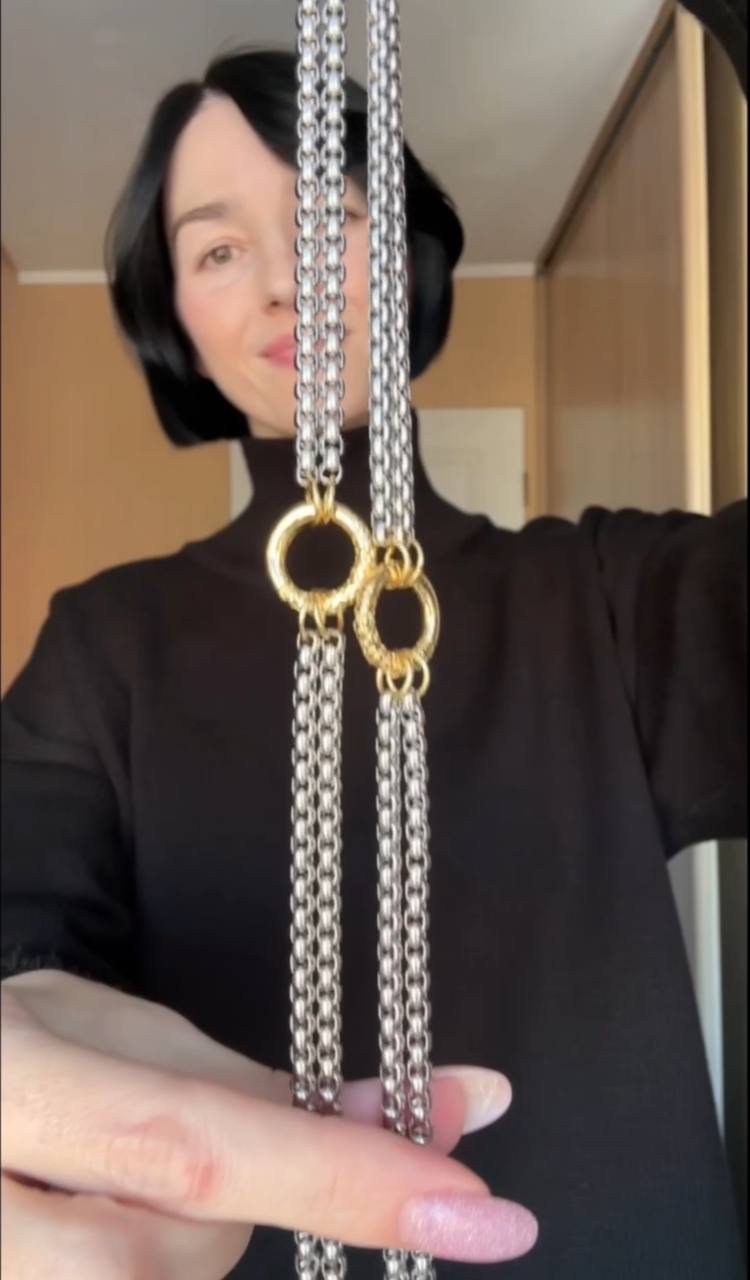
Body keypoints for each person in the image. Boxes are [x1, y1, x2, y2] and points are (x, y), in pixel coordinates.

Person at [2, 3, 746, 1276]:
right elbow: (23, 911)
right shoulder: (104, 644)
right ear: (175, 315)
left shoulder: (608, 598)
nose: (283, 278)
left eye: (327, 218)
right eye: (217, 247)